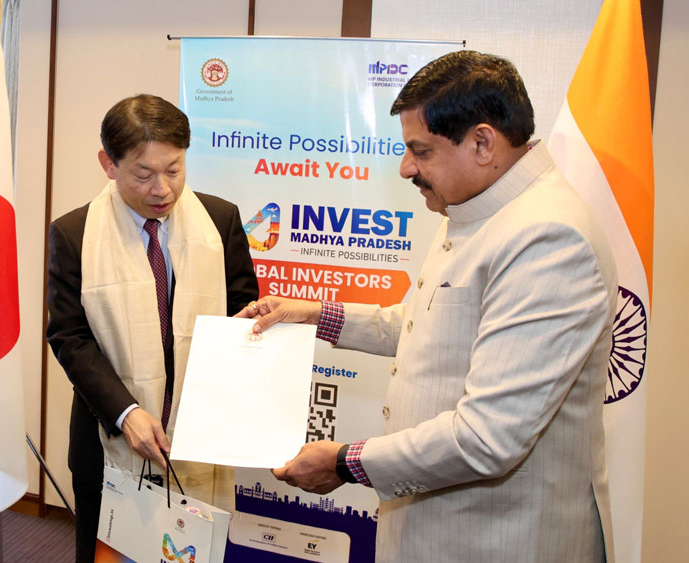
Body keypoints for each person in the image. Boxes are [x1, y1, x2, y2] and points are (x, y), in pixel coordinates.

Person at [238, 51, 617, 562]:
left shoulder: (547, 237)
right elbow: (424, 325)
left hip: (497, 541)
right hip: (434, 529)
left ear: (482, 143)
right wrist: (313, 314)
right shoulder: (475, 206)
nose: (405, 168)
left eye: (421, 151)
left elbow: (487, 437)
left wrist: (344, 462)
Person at [47, 94, 259, 561]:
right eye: (143, 174)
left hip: (199, 436)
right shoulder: (74, 233)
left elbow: (243, 312)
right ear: (108, 164)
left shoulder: (219, 221)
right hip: (108, 439)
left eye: (174, 170)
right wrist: (126, 412)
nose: (162, 189)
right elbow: (69, 338)